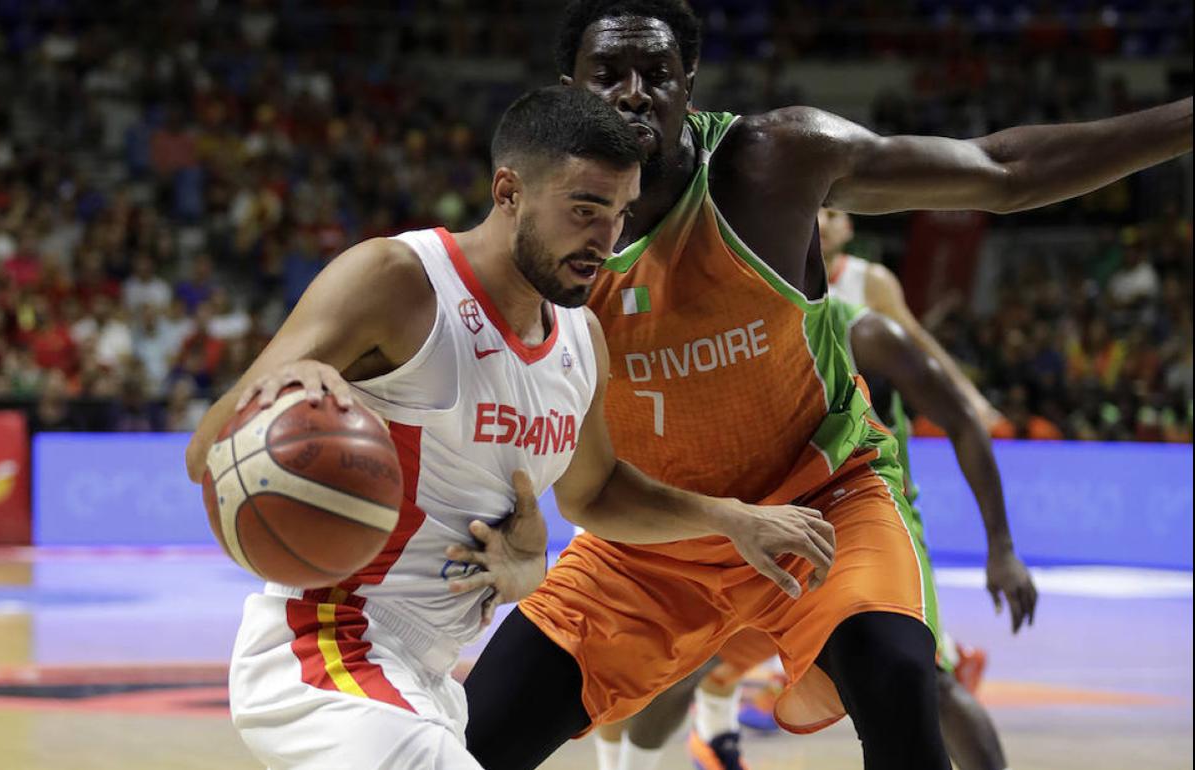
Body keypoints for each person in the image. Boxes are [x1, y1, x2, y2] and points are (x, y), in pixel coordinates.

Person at [462, 3, 1191, 770]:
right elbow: (525, 429)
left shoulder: (771, 164)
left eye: (657, 74)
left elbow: (1003, 171)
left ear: (690, 83)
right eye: (609, 74)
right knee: (469, 744)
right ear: (570, 89)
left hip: (822, 505)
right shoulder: (535, 236)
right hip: (656, 535)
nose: (634, 93)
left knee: (902, 679)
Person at [184, 86, 835, 770]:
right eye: (584, 209)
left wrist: (730, 519)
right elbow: (207, 454)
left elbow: (596, 492)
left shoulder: (582, 340)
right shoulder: (400, 281)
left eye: (620, 214)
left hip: (428, 677)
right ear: (508, 192)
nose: (606, 240)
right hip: (328, 646)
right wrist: (282, 399)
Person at [596, 292, 1038, 770]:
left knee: (924, 682)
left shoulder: (864, 329)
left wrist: (1001, 548)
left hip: (860, 524)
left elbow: (961, 415)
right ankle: (703, 739)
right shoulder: (734, 318)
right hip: (762, 530)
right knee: (686, 667)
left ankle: (715, 731)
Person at [819, 207, 1006, 432]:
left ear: (849, 228)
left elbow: (916, 339)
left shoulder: (871, 279)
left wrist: (969, 394)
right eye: (814, 214)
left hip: (868, 418)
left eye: (832, 215)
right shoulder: (789, 279)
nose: (821, 223)